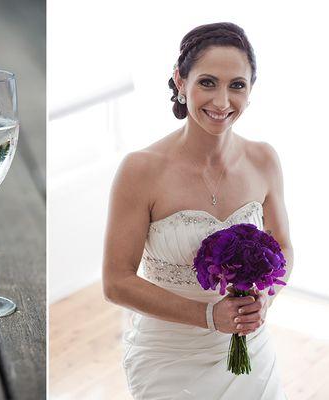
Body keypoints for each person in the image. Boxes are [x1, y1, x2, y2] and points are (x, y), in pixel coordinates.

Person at [102, 22, 292, 399]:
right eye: (208, 82)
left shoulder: (264, 159)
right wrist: (209, 316)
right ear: (180, 80)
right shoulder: (140, 170)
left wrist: (262, 302)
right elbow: (116, 282)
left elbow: (283, 247)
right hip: (169, 353)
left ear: (250, 90)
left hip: (248, 345)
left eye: (236, 85)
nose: (222, 102)